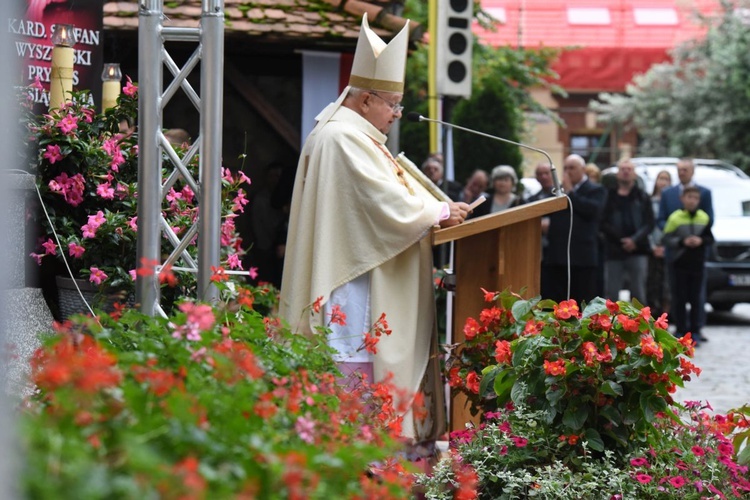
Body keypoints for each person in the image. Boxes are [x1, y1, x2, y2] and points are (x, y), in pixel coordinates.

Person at [279, 14, 470, 443]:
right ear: (365, 100)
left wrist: (438, 208)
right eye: (391, 104)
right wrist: (438, 212)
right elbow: (382, 203)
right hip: (352, 280)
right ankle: (356, 457)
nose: (396, 115)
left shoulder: (352, 135)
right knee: (354, 377)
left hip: (359, 272)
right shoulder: (343, 138)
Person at [657, 158, 713, 341]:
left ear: (692, 170)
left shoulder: (705, 193)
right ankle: (681, 329)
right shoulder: (668, 194)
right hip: (677, 256)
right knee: (678, 295)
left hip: (697, 258)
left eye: (685, 169)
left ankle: (696, 329)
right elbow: (662, 221)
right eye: (679, 169)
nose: (682, 172)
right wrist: (681, 238)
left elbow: (708, 224)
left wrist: (699, 239)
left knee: (697, 296)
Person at [542, 154, 607, 303]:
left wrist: (571, 193)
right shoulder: (558, 191)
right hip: (559, 256)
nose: (568, 171)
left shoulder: (596, 190)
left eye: (572, 168)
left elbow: (592, 210)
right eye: (565, 168)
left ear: (583, 169)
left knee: (583, 302)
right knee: (560, 303)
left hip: (583, 257)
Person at [600, 159, 654, 303]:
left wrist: (634, 240)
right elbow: (603, 222)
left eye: (629, 169)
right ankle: (610, 325)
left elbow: (649, 223)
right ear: (617, 174)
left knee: (638, 293)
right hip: (614, 250)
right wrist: (620, 240)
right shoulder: (608, 196)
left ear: (634, 174)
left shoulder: (642, 197)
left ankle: (639, 324)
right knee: (611, 293)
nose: (625, 172)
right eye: (622, 169)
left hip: (638, 250)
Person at [646, 170, 672, 317]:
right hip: (652, 247)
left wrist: (665, 246)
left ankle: (666, 314)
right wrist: (653, 246)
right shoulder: (650, 201)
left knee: (666, 284)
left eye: (666, 179)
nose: (663, 182)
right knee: (652, 282)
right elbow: (648, 225)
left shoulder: (673, 201)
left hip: (667, 247)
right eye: (661, 178)